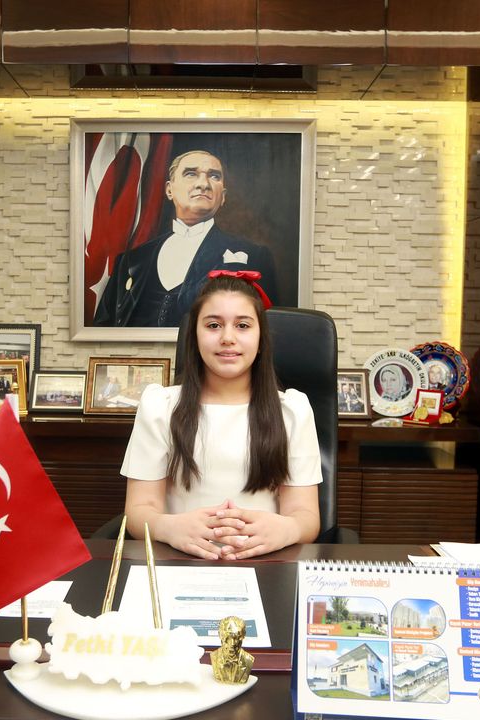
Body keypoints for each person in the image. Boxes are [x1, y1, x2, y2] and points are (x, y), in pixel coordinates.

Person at [121, 274, 321, 560]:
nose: (228, 338)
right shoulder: (160, 407)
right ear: (195, 336)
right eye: (213, 325)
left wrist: (286, 529)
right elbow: (139, 511)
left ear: (261, 338)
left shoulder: (292, 410)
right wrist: (169, 528)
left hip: (265, 563)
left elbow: (305, 516)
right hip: (180, 562)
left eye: (243, 325)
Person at [93, 150, 278, 327]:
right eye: (191, 174)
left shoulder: (255, 257)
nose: (203, 184)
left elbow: (268, 328)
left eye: (214, 176)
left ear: (223, 196)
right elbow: (103, 328)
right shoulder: (131, 261)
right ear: (169, 190)